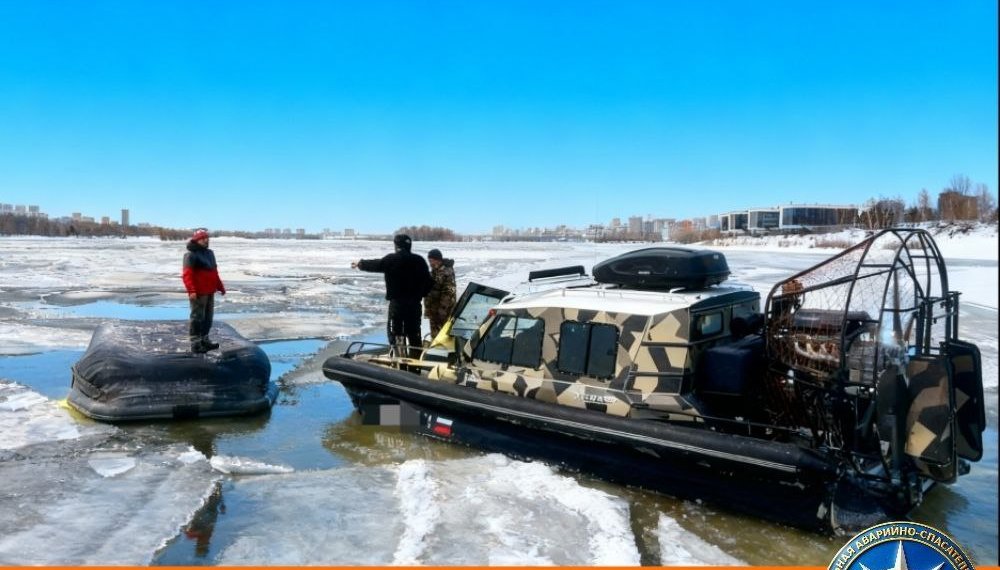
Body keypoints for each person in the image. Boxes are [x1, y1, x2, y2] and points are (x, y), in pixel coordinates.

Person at [352, 234, 432, 351]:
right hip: (414, 305)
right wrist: (420, 294)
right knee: (414, 334)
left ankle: (400, 363)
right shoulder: (419, 261)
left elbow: (376, 264)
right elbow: (429, 283)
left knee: (396, 333)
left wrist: (360, 264)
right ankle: (416, 366)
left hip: (397, 305)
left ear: (396, 245)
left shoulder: (391, 259)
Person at [182, 228, 226, 353]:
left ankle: (205, 340)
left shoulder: (210, 253)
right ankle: (195, 343)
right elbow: (187, 275)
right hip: (199, 293)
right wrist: (191, 290)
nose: (206, 240)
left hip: (210, 291)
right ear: (197, 240)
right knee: (197, 317)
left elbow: (214, 273)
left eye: (207, 238)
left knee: (208, 317)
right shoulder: (190, 255)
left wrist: (220, 286)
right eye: (203, 238)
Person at [424, 248, 456, 338]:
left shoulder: (447, 272)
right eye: (429, 261)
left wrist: (441, 312)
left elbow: (448, 294)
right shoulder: (435, 271)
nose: (430, 263)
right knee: (435, 336)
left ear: (437, 260)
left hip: (442, 313)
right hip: (434, 312)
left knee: (442, 337)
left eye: (431, 261)